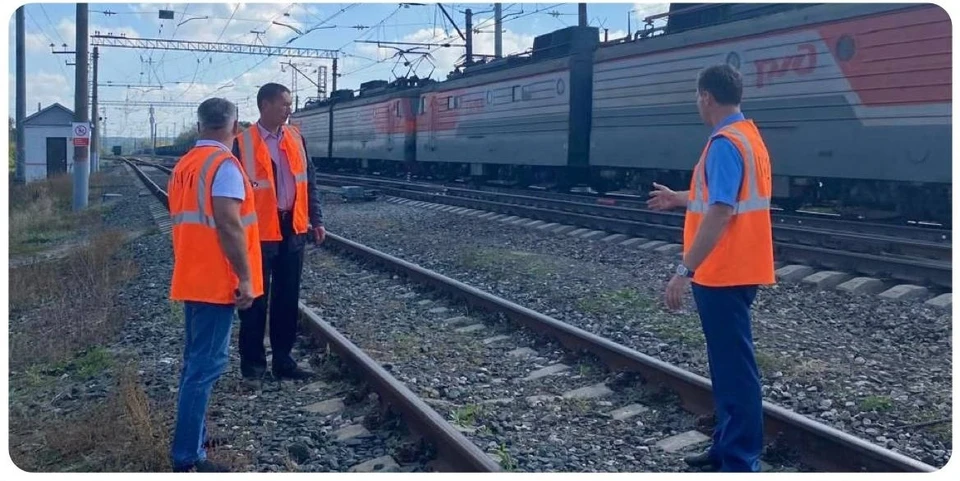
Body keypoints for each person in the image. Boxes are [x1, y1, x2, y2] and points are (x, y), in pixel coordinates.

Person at [647, 64, 775, 472]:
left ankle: (739, 461)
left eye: (696, 97)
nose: (696, 104)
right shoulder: (748, 137)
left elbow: (721, 211)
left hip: (722, 272)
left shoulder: (723, 143)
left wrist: (684, 270)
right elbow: (715, 194)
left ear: (707, 97)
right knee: (728, 366)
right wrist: (679, 198)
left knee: (736, 372)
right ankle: (726, 447)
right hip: (740, 268)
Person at [167, 97, 263, 472]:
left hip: (192, 274)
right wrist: (246, 278)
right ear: (234, 127)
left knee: (195, 365)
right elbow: (228, 222)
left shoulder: (186, 164)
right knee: (204, 367)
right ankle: (188, 457)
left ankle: (194, 437)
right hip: (214, 280)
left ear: (200, 124)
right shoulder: (224, 165)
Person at [233, 83, 325, 382]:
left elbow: (308, 180)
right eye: (284, 104)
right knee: (255, 301)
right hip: (257, 232)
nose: (289, 109)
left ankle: (284, 361)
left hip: (292, 228)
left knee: (287, 299)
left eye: (289, 104)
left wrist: (317, 218)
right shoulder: (242, 142)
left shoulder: (296, 138)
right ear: (265, 105)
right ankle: (253, 367)